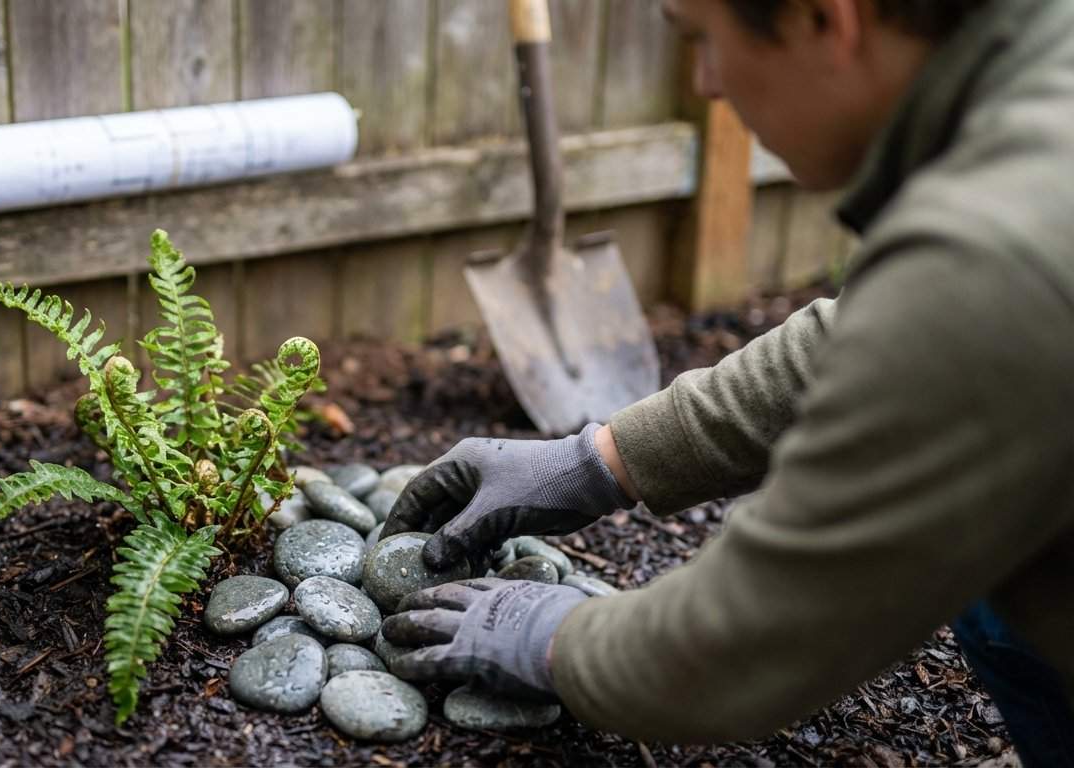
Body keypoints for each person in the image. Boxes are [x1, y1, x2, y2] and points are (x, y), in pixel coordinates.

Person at [378, 0, 1074, 764]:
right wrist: (600, 461)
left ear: (826, 18)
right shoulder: (1035, 99)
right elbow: (874, 334)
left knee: (989, 576)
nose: (706, 84)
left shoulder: (1002, 255)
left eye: (703, 39)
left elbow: (751, 642)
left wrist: (552, 639)